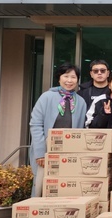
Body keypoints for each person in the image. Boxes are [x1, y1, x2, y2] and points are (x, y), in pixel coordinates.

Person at [29, 63, 87, 197]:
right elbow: (35, 124)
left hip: (69, 151)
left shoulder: (81, 101)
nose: (69, 80)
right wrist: (40, 153)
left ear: (77, 80)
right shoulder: (46, 97)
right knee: (41, 186)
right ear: (59, 78)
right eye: (66, 76)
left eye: (73, 77)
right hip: (46, 148)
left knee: (64, 186)